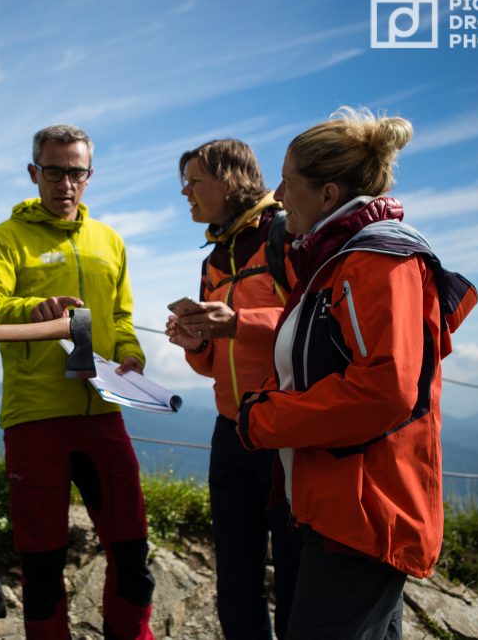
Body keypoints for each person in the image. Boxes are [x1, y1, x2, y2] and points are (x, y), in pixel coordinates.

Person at [236, 107, 477, 639]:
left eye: (288, 181)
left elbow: (385, 391)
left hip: (365, 514)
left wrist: (267, 420)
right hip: (343, 506)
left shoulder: (376, 260)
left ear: (327, 195)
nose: (276, 195)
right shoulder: (340, 257)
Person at [0, 124, 155, 639]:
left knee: (133, 554)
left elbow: (124, 317)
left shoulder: (109, 241)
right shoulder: (5, 239)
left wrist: (132, 352)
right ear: (34, 173)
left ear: (89, 175)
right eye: (54, 171)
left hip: (105, 412)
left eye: (76, 172)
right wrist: (35, 310)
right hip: (36, 417)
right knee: (43, 566)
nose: (65, 183)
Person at [165, 139, 300, 639]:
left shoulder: (286, 235)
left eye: (194, 181)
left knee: (294, 576)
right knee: (234, 581)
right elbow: (214, 365)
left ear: (229, 180)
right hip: (233, 432)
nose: (186, 193)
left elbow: (312, 323)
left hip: (289, 434)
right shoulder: (214, 258)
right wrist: (194, 341)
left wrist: (240, 321)